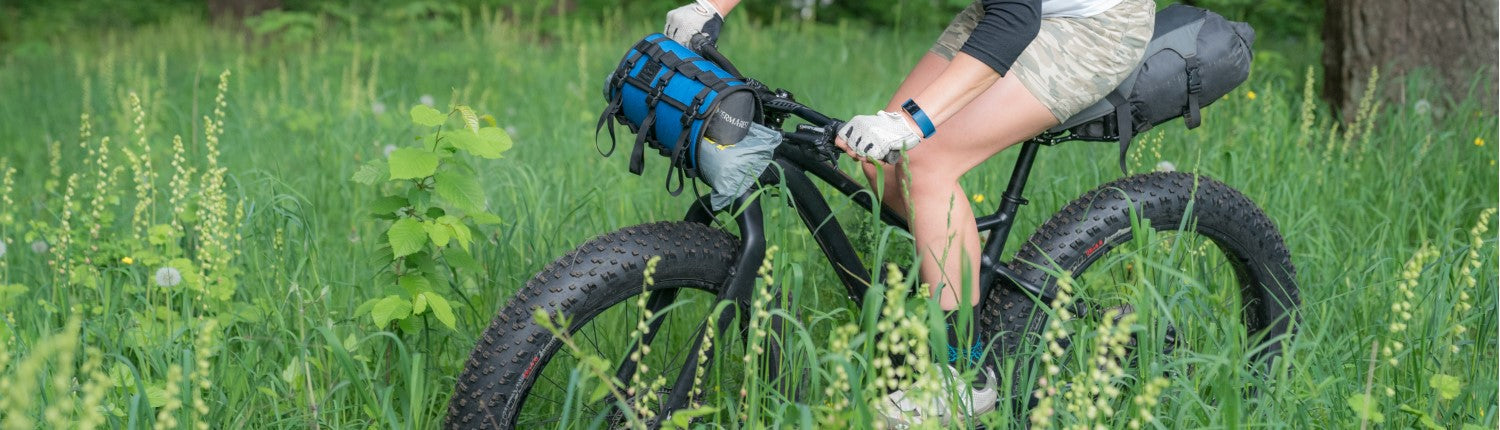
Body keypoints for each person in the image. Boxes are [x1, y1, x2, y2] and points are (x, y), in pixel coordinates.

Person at [666, 0, 1154, 425]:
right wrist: (712, 7)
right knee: (883, 169)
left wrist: (909, 122)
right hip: (1010, 9)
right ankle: (954, 282)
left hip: (1094, 25)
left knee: (922, 161)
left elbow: (1015, 20)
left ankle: (965, 374)